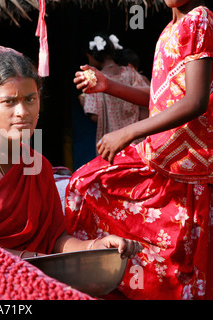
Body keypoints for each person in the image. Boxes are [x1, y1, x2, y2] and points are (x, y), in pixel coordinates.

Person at [72, 1, 212, 299]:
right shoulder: (168, 30)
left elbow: (196, 101)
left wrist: (128, 132)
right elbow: (159, 100)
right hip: (165, 156)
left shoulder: (199, 19)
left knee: (87, 184)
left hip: (184, 161)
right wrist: (107, 85)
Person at [0, 52, 142, 260]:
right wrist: (32, 259)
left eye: (30, 99)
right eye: (9, 102)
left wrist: (95, 245)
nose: (22, 111)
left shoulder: (40, 165)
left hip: (37, 274)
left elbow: (55, 239)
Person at [79, 33, 149, 149]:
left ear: (91, 56)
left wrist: (83, 102)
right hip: (136, 141)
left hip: (110, 145)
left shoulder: (94, 80)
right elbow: (150, 102)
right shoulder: (131, 73)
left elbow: (94, 116)